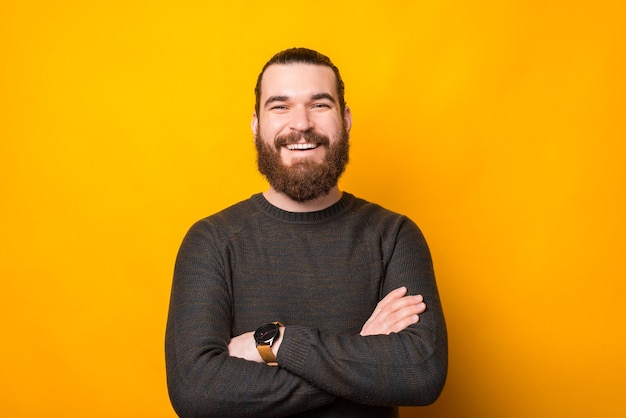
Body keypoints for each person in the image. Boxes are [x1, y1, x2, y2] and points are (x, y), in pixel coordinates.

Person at [165, 47, 447, 418]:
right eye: (280, 106)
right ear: (256, 124)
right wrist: (360, 355)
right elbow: (196, 392)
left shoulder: (394, 235)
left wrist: (276, 343)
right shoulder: (211, 241)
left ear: (345, 119)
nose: (301, 123)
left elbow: (420, 374)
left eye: (320, 105)